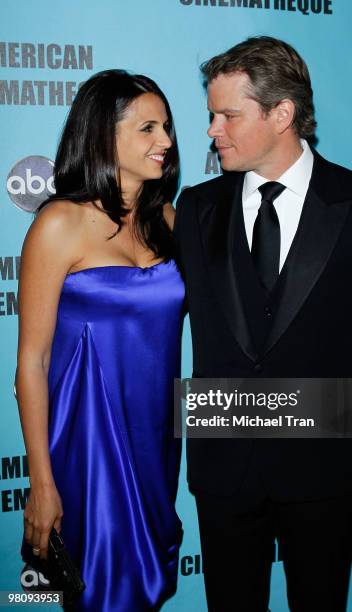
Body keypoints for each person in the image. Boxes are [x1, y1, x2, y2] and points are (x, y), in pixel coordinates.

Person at [174, 37, 352, 611]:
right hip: (223, 463)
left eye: (228, 115)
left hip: (327, 464)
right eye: (212, 114)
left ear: (281, 114)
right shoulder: (195, 208)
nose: (213, 129)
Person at [16, 69, 185, 611]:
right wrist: (41, 481)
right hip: (89, 443)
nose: (166, 141)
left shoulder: (168, 219)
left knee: (148, 583)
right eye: (147, 128)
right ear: (101, 136)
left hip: (156, 439)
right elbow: (32, 363)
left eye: (167, 128)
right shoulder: (59, 225)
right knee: (103, 588)